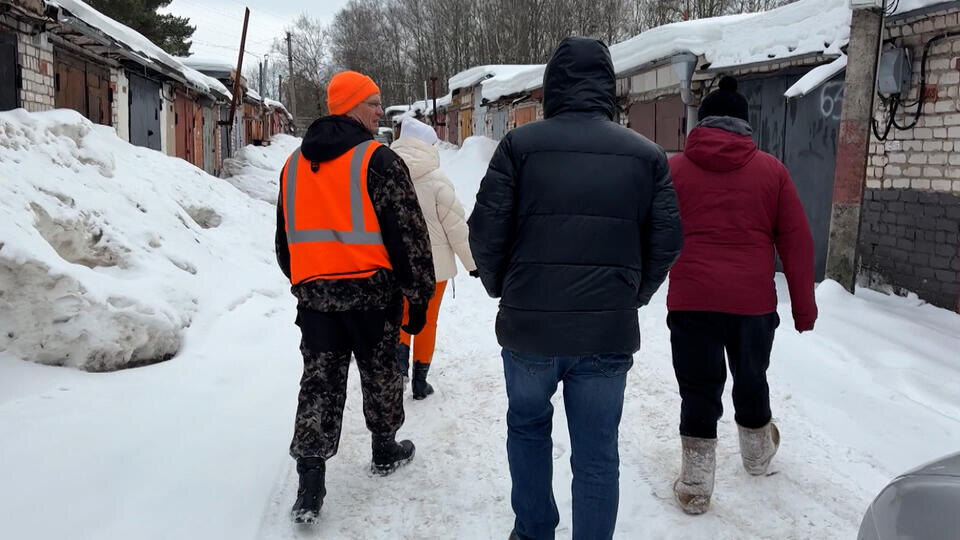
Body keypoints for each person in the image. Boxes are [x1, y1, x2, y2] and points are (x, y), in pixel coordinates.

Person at [468, 37, 683, 540]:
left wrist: (503, 288)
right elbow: (667, 239)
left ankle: (533, 531)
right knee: (597, 453)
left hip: (529, 329)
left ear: (552, 86)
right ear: (608, 86)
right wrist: (633, 295)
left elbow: (485, 230)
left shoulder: (519, 147)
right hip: (606, 332)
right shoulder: (647, 155)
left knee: (527, 429)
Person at [275, 70, 435, 524]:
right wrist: (418, 296)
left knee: (319, 384)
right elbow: (409, 237)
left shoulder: (293, 165)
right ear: (350, 107)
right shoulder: (378, 161)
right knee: (381, 373)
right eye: (373, 102)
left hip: (317, 299)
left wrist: (309, 279)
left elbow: (284, 242)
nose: (380, 110)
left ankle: (310, 482)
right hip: (372, 295)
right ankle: (384, 449)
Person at [666, 75, 817, 515]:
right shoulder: (772, 171)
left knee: (698, 387)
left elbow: (651, 231)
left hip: (692, 300)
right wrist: (803, 309)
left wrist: (639, 286)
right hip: (752, 304)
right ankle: (757, 455)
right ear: (745, 125)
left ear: (702, 123)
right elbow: (797, 242)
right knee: (751, 377)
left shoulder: (674, 171)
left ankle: (696, 485)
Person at [390, 116, 478, 400]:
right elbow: (456, 227)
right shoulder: (438, 181)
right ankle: (420, 382)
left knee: (402, 315)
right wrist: (472, 263)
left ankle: (399, 370)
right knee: (427, 321)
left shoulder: (387, 174)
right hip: (434, 268)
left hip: (396, 264)